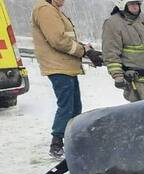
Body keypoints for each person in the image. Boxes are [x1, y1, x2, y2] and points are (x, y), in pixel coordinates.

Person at [31, 0, 103, 158]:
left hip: (66, 66)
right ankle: (56, 144)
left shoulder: (53, 9)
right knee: (67, 106)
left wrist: (86, 48)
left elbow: (66, 37)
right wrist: (84, 51)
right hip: (58, 66)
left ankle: (74, 141)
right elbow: (59, 40)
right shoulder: (45, 10)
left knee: (75, 106)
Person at [102, 0, 144, 102]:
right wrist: (118, 76)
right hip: (135, 80)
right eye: (131, 4)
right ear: (122, 5)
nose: (136, 7)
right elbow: (111, 53)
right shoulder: (112, 24)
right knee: (142, 109)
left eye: (137, 3)